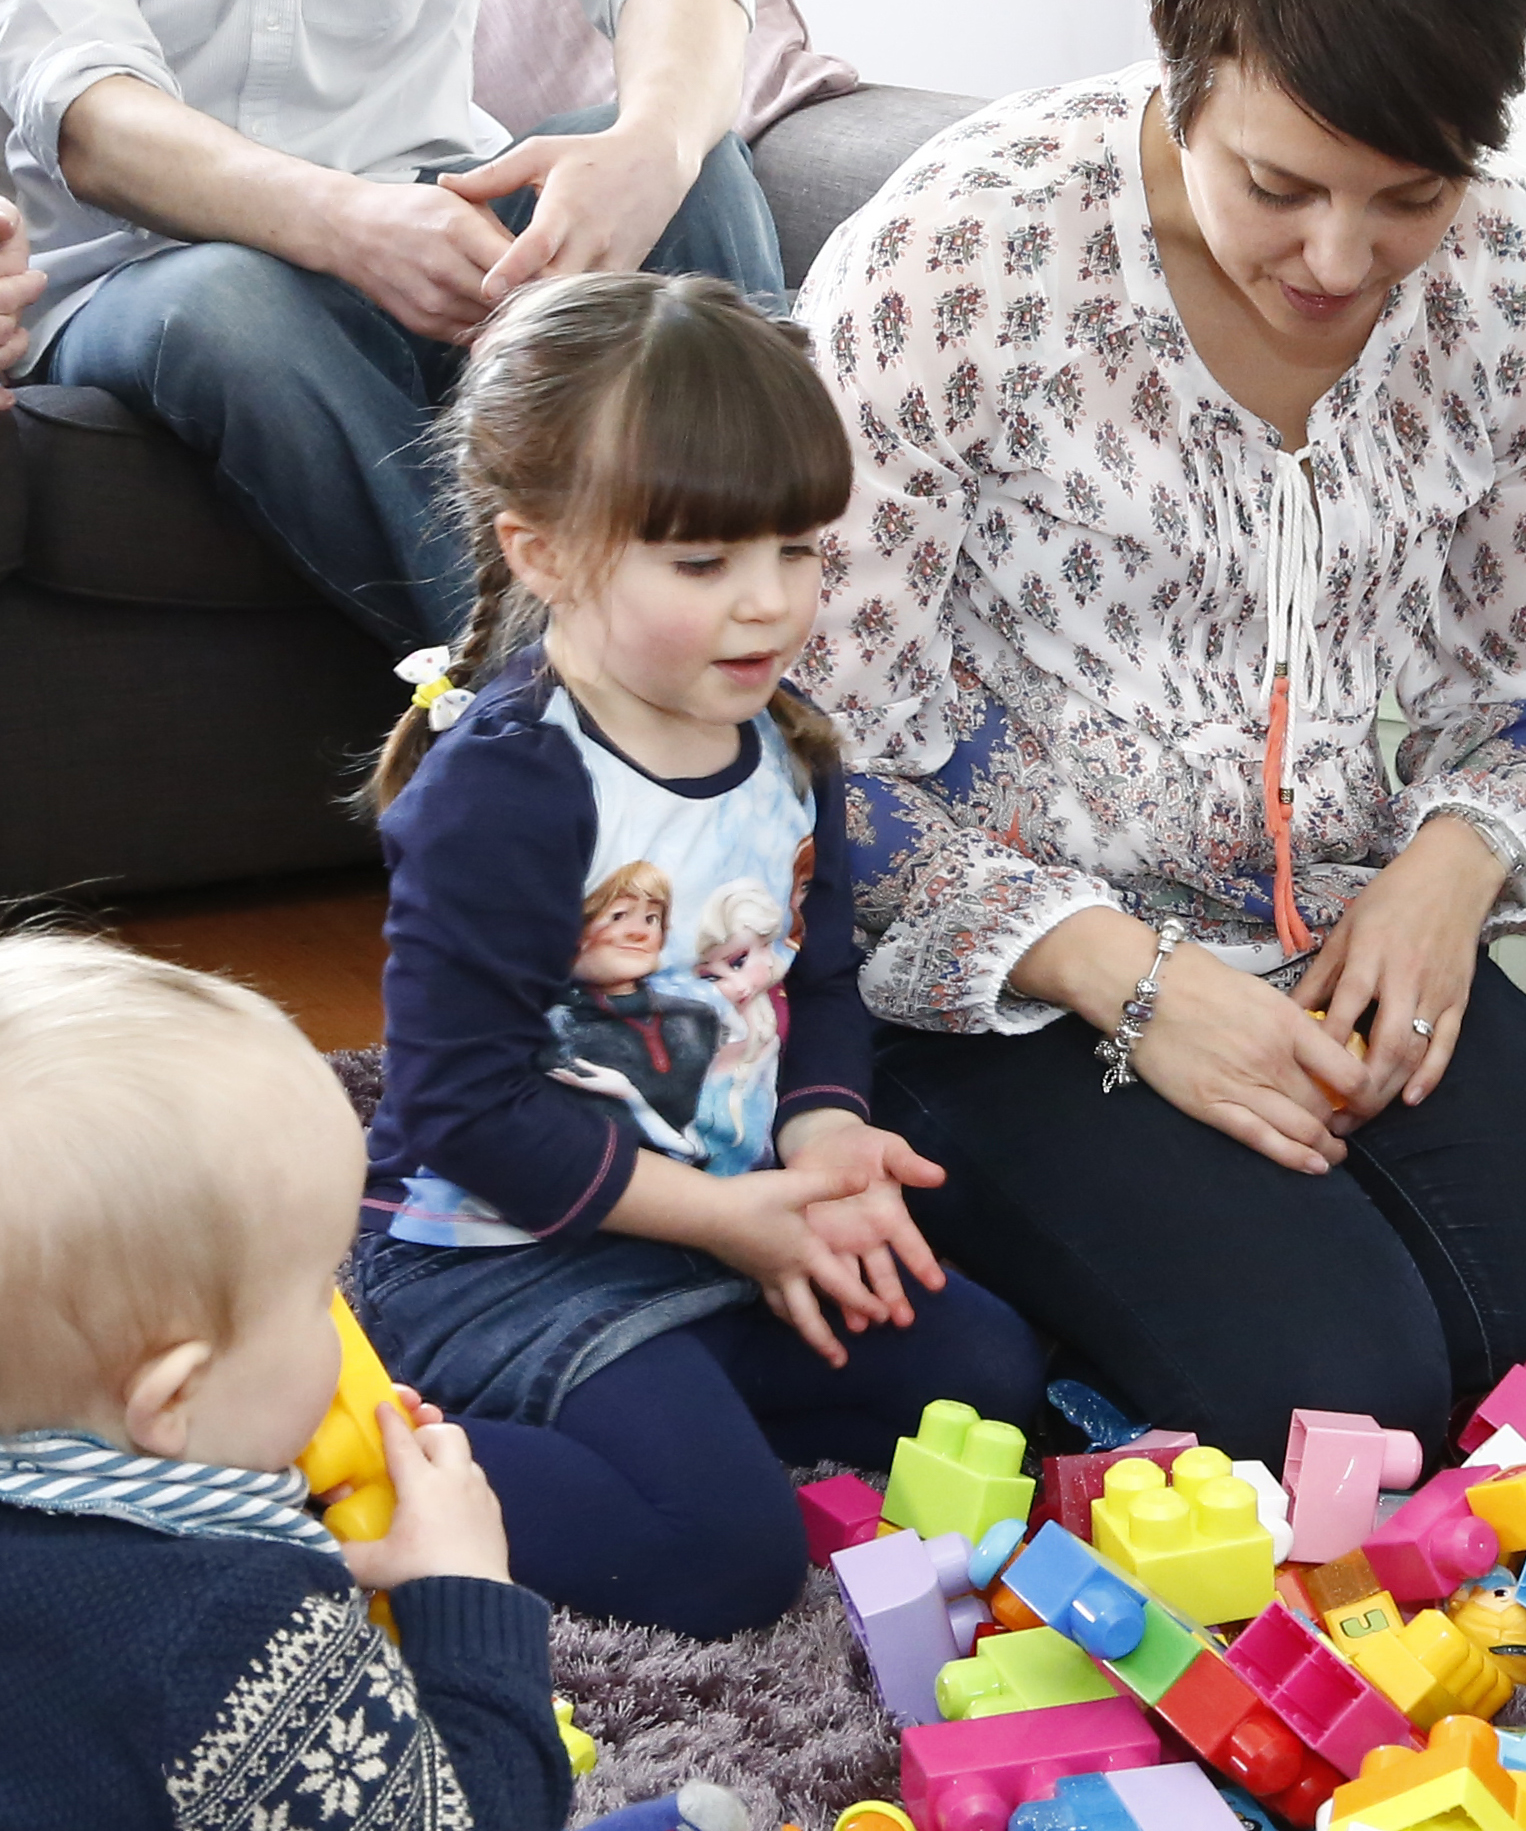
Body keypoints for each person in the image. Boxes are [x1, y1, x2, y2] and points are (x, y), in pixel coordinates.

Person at [791, 0, 1526, 1471]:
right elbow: (808, 746)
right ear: (1183, 61)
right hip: (1010, 976)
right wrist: (1119, 974)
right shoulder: (960, 263)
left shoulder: (1519, 287)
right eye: (1279, 185)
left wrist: (1446, 866)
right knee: (1335, 1403)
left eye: (1409, 196)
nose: (1339, 260)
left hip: (1338, 933)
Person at [354, 272, 1041, 1641]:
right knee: (722, 1555)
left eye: (798, 549)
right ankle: (349, 1473)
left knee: (990, 1375)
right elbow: (456, 1106)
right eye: (702, 562)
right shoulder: (511, 788)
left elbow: (819, 981)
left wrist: (826, 1135)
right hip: (504, 1255)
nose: (767, 604)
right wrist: (731, 1219)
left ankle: (663, 1392)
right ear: (543, 553)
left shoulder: (786, 743)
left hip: (718, 1229)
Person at [0, 931, 838, 1831]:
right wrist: (462, 1595)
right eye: (314, 1294)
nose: (348, 1318)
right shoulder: (223, 1628)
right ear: (173, 1402)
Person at [0, 0, 780, 645]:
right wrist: (348, 222)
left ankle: (808, 653)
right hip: (150, 270)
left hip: (434, 210)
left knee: (694, 166)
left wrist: (655, 142)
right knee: (227, 304)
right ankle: (559, 697)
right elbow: (90, 115)